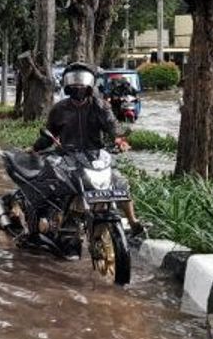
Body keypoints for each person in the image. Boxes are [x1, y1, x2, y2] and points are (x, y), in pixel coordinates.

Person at [32, 62, 145, 238]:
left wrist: (119, 139)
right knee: (62, 188)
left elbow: (112, 125)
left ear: (90, 84)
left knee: (119, 183)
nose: (79, 86)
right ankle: (58, 223)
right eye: (74, 81)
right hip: (68, 156)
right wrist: (34, 148)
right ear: (66, 84)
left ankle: (133, 221)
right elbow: (48, 136)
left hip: (96, 156)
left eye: (82, 81)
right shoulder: (59, 109)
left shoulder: (100, 106)